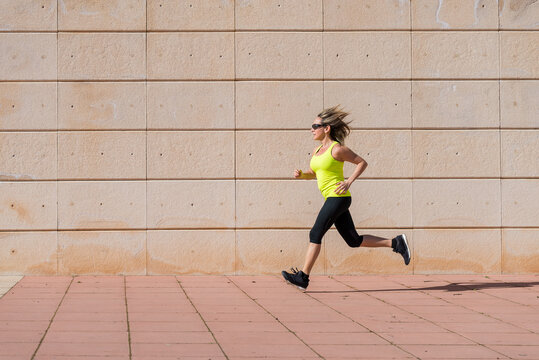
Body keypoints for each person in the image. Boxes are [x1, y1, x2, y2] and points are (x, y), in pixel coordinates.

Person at [281, 105, 410, 291]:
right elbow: (316, 173)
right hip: (332, 198)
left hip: (338, 197)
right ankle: (396, 243)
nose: (311, 129)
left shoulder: (337, 149)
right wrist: (302, 175)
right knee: (353, 240)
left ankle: (303, 277)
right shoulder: (317, 151)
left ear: (327, 128)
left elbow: (361, 162)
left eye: (315, 126)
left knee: (315, 233)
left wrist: (348, 182)